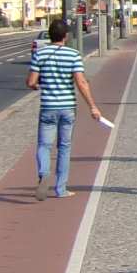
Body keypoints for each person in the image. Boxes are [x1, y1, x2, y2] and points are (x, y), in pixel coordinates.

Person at [26, 17, 104, 201]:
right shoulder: (73, 55)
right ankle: (61, 189)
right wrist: (92, 106)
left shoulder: (40, 54)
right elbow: (81, 82)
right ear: (65, 36)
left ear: (49, 35)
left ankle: (44, 173)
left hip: (48, 106)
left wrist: (36, 86)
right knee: (64, 147)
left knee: (44, 145)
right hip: (68, 106)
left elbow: (31, 81)